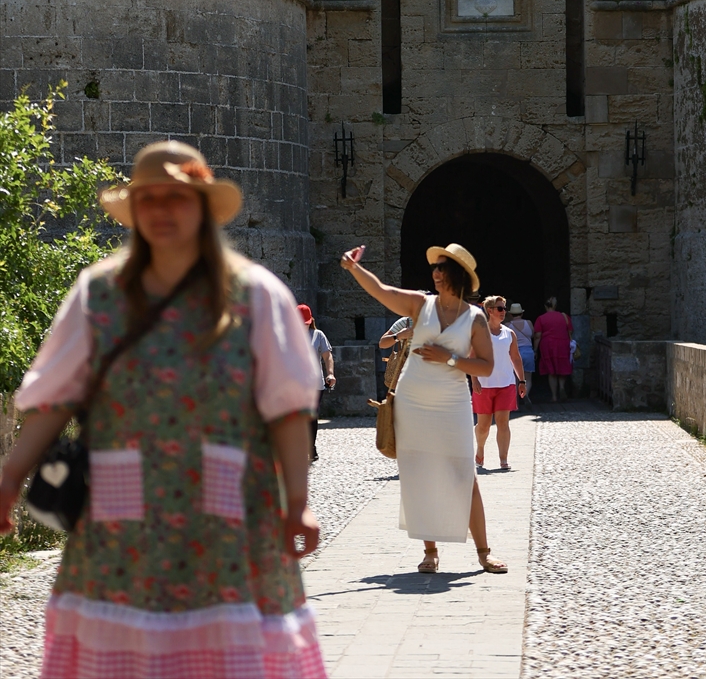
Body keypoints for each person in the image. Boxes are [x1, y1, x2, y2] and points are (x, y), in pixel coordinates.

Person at [0, 140, 326, 678]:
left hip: (230, 521)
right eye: (148, 199)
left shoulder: (255, 295)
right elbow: (55, 399)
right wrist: (10, 479)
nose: (161, 210)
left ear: (202, 207)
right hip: (120, 529)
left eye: (176, 197)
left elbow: (287, 410)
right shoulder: (98, 294)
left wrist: (298, 501)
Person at [341, 242, 507, 575]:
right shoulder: (421, 304)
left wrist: (449, 358)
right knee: (419, 475)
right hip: (413, 400)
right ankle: (430, 552)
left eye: (442, 269)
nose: (435, 273)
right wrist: (353, 268)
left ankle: (483, 553)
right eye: (435, 268)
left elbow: (487, 367)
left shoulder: (474, 317)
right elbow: (382, 291)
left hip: (453, 402)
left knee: (465, 475)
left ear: (456, 276)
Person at [472, 296, 526, 470]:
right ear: (490, 311)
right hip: (484, 384)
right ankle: (480, 449)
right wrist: (474, 380)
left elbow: (516, 358)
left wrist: (522, 380)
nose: (504, 312)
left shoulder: (509, 333)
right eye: (500, 308)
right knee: (484, 426)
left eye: (504, 308)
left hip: (506, 384)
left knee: (503, 422)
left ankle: (503, 460)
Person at [298, 303, 335, 463]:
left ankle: (311, 447)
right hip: (295, 383)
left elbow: (327, 356)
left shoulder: (318, 335)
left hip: (314, 383)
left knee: (312, 416)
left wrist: (330, 373)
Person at [533, 296, 573, 403]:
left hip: (548, 345)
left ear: (545, 306)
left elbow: (538, 336)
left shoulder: (541, 318)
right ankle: (562, 387)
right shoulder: (564, 316)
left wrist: (535, 350)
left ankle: (554, 396)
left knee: (551, 371)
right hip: (563, 343)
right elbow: (570, 331)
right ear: (555, 306)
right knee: (562, 366)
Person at [507, 303, 535, 402]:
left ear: (510, 314)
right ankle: (526, 395)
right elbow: (533, 335)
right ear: (522, 313)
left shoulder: (508, 325)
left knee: (515, 378)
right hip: (528, 351)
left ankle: (516, 401)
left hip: (515, 353)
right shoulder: (529, 323)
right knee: (527, 377)